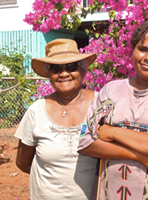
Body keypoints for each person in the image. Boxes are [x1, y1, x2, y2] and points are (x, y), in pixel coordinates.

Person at [78, 20, 148, 200]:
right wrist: (140, 156)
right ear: (132, 51)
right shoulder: (111, 90)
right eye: (143, 49)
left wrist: (112, 132)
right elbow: (85, 141)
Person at [15, 39, 98, 199]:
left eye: (71, 66)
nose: (64, 73)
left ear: (82, 69)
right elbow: (23, 162)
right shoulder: (36, 110)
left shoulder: (101, 105)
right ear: (49, 73)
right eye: (56, 68)